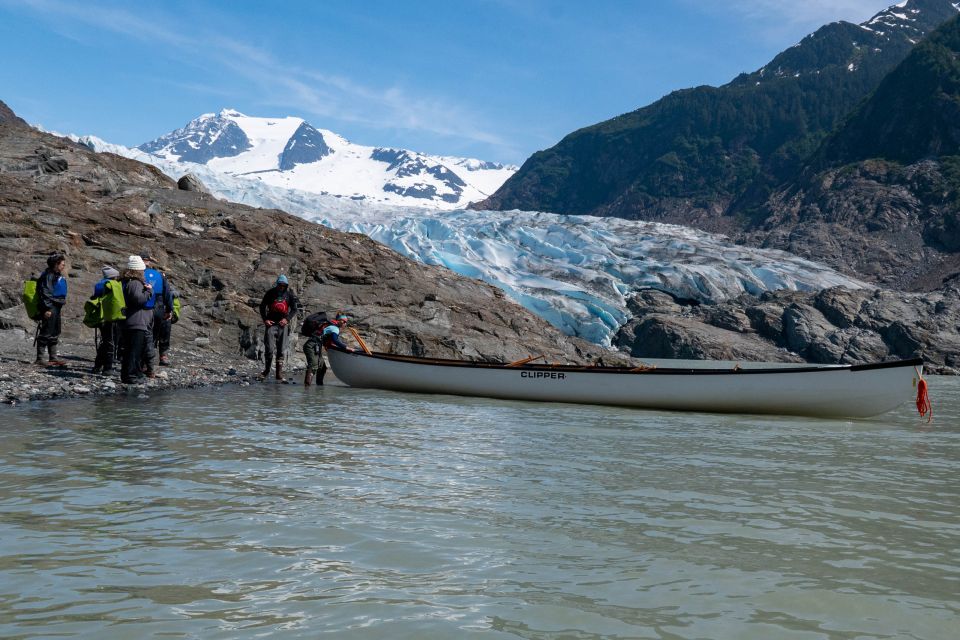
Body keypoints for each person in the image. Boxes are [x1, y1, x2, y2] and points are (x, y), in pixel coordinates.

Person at [120, 255, 153, 384]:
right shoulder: (135, 283)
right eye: (142, 270)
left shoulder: (127, 281)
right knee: (133, 350)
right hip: (135, 321)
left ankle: (133, 373)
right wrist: (149, 292)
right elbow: (139, 300)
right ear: (138, 270)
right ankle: (130, 376)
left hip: (130, 321)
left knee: (132, 350)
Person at [258, 274, 299, 380]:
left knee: (281, 350)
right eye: (280, 285)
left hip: (282, 325)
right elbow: (262, 306)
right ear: (277, 284)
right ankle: (266, 370)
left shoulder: (289, 295)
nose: (281, 287)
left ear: (286, 285)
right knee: (269, 348)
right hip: (271, 324)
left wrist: (287, 319)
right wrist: (265, 319)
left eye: (283, 285)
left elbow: (294, 309)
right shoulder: (270, 293)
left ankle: (278, 374)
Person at [141, 253, 175, 368]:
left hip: (144, 307)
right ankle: (152, 362)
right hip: (158, 307)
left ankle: (146, 362)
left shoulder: (135, 275)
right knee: (154, 335)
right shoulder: (159, 275)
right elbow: (167, 293)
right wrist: (169, 309)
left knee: (146, 335)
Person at [302, 312, 354, 386]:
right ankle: (306, 387)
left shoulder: (330, 325)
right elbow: (335, 340)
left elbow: (327, 340)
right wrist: (346, 347)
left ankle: (319, 388)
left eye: (346, 322)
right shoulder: (335, 328)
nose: (345, 323)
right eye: (344, 321)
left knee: (322, 368)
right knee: (313, 366)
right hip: (311, 346)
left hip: (315, 346)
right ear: (340, 320)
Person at [35, 253, 68, 366]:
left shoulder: (55, 275)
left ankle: (53, 357)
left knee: (55, 331)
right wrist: (47, 308)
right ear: (55, 264)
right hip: (50, 306)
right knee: (46, 331)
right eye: (62, 264)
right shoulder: (48, 275)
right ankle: (40, 358)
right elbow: (45, 293)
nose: (63, 266)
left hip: (56, 306)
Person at [91, 266, 121, 375]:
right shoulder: (112, 285)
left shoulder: (99, 284)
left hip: (100, 316)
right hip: (109, 316)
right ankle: (107, 368)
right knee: (109, 342)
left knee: (104, 341)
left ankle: (97, 366)